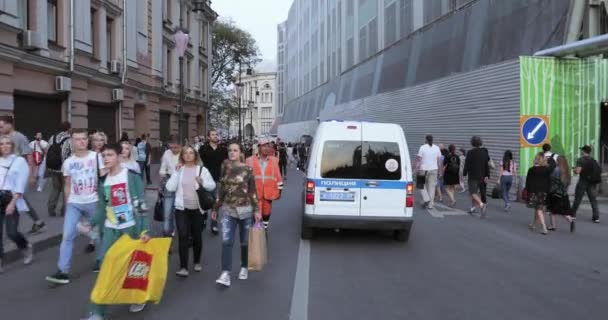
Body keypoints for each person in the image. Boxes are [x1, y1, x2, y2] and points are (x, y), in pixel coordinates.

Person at [84, 143, 150, 319]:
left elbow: (141, 205)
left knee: (132, 267)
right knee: (106, 268)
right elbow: (102, 209)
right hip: (110, 229)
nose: (106, 158)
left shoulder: (131, 177)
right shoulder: (103, 181)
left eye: (110, 155)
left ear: (119, 157)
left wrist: (144, 230)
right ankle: (98, 311)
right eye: (103, 156)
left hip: (130, 228)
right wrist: (91, 223)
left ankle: (137, 297)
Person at [46, 129, 101, 284]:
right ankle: (63, 271)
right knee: (67, 236)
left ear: (87, 140)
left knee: (99, 233)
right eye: (77, 139)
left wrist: (102, 200)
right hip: (74, 204)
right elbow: (67, 184)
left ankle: (101, 260)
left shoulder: (96, 157)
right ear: (72, 142)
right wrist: (68, 201)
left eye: (84, 139)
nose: (81, 142)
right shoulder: (68, 162)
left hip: (93, 201)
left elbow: (103, 177)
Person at [213, 143, 261, 287]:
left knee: (244, 241)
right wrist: (216, 208)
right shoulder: (225, 167)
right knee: (227, 241)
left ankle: (244, 266)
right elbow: (221, 188)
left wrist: (257, 210)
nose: (232, 153)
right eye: (230, 150)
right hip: (228, 210)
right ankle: (225, 273)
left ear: (240, 153)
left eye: (235, 150)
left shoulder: (248, 169)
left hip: (246, 211)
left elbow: (252, 191)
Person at [165, 145, 215, 277]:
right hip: (182, 209)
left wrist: (202, 182)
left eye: (191, 153)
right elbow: (170, 188)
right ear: (182, 156)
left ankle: (197, 261)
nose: (188, 155)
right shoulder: (179, 170)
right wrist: (176, 172)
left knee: (197, 236)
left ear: (195, 155)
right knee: (182, 236)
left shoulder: (201, 170)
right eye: (185, 153)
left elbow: (212, 186)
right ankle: (183, 267)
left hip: (197, 209)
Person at [0, 116, 46, 233]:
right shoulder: (3, 138)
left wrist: (32, 175)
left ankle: (17, 228)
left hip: (17, 174)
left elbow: (29, 156)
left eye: (2, 126)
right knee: (19, 199)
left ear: (10, 124)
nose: (0, 129)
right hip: (5, 174)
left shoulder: (19, 137)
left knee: (18, 198)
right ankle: (38, 222)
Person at [0, 135, 34, 273]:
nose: (5, 146)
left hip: (11, 198)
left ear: (12, 146)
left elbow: (21, 184)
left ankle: (25, 246)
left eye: (8, 143)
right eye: (2, 143)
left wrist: (12, 203)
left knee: (12, 233)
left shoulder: (19, 161)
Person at [246, 137, 283, 230]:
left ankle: (264, 229)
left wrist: (280, 191)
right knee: (256, 215)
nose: (266, 148)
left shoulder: (274, 160)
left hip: (268, 193)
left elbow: (278, 177)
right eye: (264, 146)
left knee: (266, 213)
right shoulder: (249, 160)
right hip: (255, 194)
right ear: (259, 147)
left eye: (268, 146)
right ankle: (257, 232)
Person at [199, 129, 228, 235]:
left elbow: (227, 163)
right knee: (204, 201)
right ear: (208, 137)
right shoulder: (203, 149)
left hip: (218, 180)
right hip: (205, 179)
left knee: (216, 203)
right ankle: (204, 218)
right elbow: (198, 162)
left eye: (216, 134)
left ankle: (214, 224)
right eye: (213, 134)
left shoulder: (223, 150)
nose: (215, 136)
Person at [525, 152, 556, 235]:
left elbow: (528, 182)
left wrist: (528, 192)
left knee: (539, 210)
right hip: (544, 192)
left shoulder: (531, 170)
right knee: (537, 208)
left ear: (536, 159)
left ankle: (544, 227)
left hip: (535, 192)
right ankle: (534, 224)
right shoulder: (546, 169)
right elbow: (553, 166)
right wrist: (550, 158)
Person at [47, 121, 72, 218]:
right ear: (68, 129)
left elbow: (47, 150)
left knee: (55, 188)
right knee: (66, 189)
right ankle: (64, 211)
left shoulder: (52, 137)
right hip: (64, 169)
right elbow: (70, 154)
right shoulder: (69, 139)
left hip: (53, 168)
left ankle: (51, 209)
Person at [571, 145, 602, 223]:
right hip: (592, 182)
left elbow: (578, 171)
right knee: (593, 200)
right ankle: (596, 217)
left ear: (583, 151)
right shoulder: (594, 160)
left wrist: (574, 169)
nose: (581, 151)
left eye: (582, 150)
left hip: (583, 181)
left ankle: (572, 214)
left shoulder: (581, 160)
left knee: (578, 198)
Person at [159, 138, 182, 237]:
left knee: (181, 212)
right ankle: (167, 236)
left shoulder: (186, 153)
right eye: (171, 147)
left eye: (176, 147)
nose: (173, 150)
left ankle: (186, 235)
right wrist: (163, 174)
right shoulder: (167, 153)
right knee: (167, 212)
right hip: (169, 181)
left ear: (180, 146)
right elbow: (162, 168)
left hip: (182, 184)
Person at [463, 136, 490, 217]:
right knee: (478, 192)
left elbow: (467, 164)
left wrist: (464, 174)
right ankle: (473, 208)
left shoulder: (470, 152)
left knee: (473, 193)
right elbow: (486, 165)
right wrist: (487, 175)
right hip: (482, 176)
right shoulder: (484, 152)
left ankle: (481, 204)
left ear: (472, 143)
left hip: (473, 176)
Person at [546, 156, 574, 232]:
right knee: (561, 209)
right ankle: (570, 219)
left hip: (555, 192)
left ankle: (553, 226)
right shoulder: (567, 171)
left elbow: (551, 179)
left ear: (558, 162)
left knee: (552, 209)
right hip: (564, 192)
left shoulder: (556, 170)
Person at [416, 135, 442, 209]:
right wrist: (440, 171)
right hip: (434, 169)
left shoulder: (422, 147)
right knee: (432, 187)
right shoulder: (436, 148)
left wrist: (416, 169)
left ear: (426, 140)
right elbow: (439, 160)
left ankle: (426, 198)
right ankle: (431, 205)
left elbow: (419, 159)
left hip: (423, 169)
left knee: (421, 185)